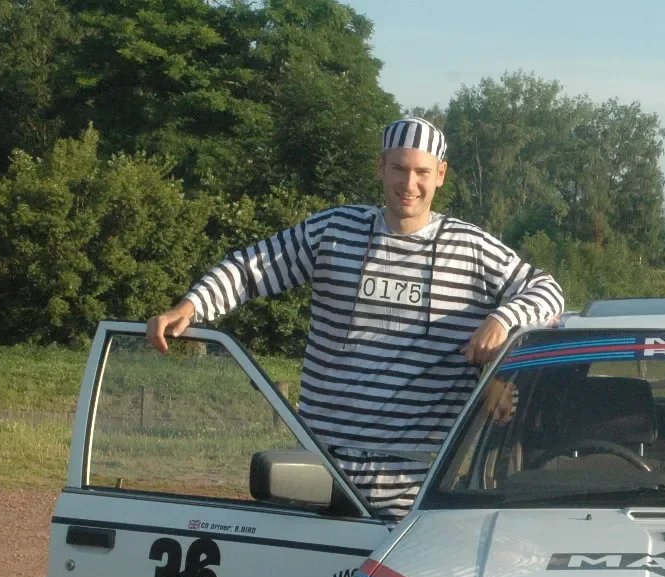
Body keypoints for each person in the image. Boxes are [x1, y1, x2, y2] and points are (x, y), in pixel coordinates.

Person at [147, 116, 564, 519]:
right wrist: (191, 306)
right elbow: (251, 268)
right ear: (381, 167)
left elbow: (547, 291)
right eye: (399, 168)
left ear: (441, 174)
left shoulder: (471, 248)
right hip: (319, 476)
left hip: (417, 490)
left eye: (421, 172)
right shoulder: (335, 230)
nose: (409, 184)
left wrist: (502, 320)